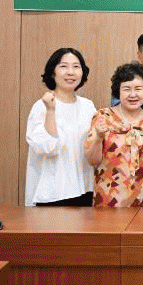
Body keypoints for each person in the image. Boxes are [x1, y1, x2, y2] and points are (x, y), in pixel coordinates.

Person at [86, 62, 143, 207]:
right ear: (118, 91)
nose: (133, 95)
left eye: (138, 89)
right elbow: (92, 161)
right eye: (127, 89)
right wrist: (98, 138)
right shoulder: (103, 117)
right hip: (108, 200)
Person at [25, 48, 96, 206]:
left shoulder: (88, 106)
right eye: (63, 66)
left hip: (85, 189)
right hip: (53, 193)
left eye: (76, 67)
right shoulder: (41, 106)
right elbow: (49, 148)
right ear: (53, 72)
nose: (70, 72)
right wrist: (51, 110)